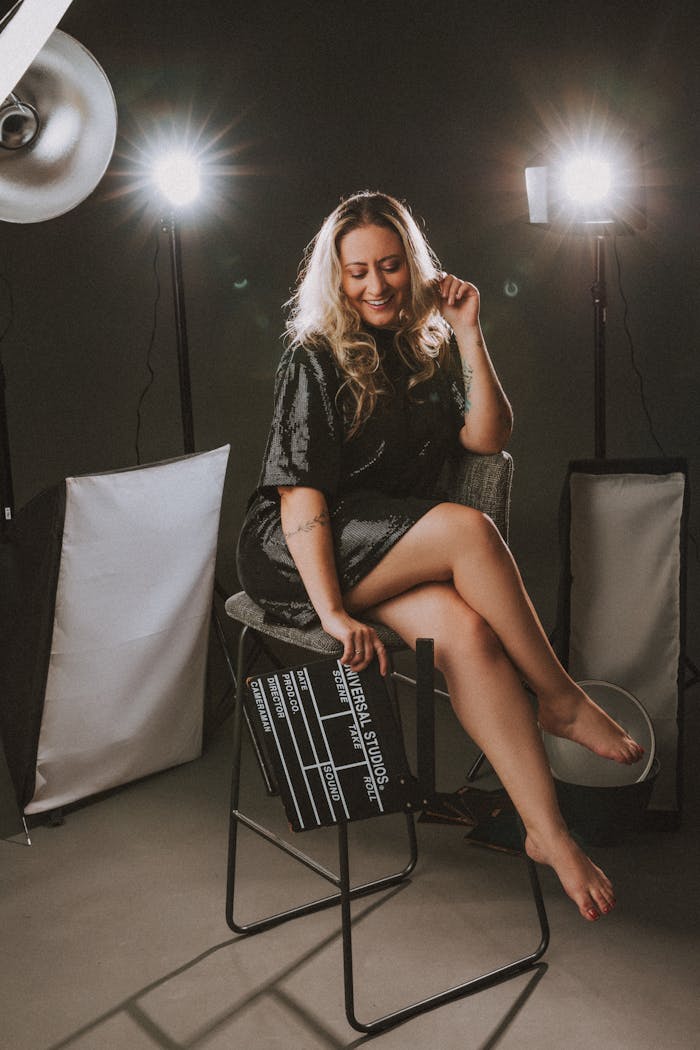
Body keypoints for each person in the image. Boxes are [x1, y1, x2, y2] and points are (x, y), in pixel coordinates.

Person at [237, 190, 644, 922]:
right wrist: (331, 612)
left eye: (390, 267)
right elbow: (300, 496)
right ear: (336, 276)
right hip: (300, 549)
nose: (376, 286)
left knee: (469, 633)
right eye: (357, 271)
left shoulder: (426, 345)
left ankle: (547, 834)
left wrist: (467, 332)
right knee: (469, 531)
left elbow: (487, 439)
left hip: (384, 544)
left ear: (411, 265)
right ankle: (558, 699)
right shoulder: (315, 355)